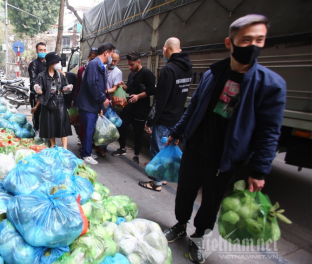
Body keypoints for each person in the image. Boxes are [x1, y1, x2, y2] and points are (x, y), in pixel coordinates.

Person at [162, 15, 286, 263]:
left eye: (259, 39)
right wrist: (176, 132)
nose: (253, 45)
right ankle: (180, 225)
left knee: (211, 201)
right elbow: (193, 108)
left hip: (225, 157)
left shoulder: (269, 85)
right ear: (230, 43)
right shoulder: (212, 74)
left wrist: (259, 170)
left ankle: (199, 237)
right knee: (185, 192)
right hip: (195, 147)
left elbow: (269, 132)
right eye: (246, 39)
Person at [139, 37, 193, 192]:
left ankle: (155, 183)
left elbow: (160, 100)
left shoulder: (168, 69)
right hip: (177, 118)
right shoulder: (187, 67)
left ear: (166, 48)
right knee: (167, 148)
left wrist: (150, 121)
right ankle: (162, 178)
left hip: (164, 119)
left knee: (159, 150)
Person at [111, 51, 156, 165]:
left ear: (139, 62)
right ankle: (122, 149)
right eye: (129, 64)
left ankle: (136, 155)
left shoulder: (147, 73)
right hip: (129, 107)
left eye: (132, 65)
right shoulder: (132, 74)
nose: (130, 67)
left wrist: (138, 96)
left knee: (138, 133)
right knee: (122, 127)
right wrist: (124, 86)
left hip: (141, 109)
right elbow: (130, 89)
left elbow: (151, 90)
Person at [76, 43, 114, 164]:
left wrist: (100, 106)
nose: (111, 58)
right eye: (111, 55)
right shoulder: (94, 64)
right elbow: (93, 84)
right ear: (106, 53)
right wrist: (103, 99)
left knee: (90, 129)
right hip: (87, 105)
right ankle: (86, 155)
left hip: (92, 105)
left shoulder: (99, 65)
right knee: (88, 129)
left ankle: (87, 152)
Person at [35, 52, 73, 149]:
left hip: (60, 103)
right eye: (57, 61)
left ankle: (65, 148)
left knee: (63, 125)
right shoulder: (42, 76)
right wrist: (38, 90)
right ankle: (52, 145)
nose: (59, 63)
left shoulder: (60, 75)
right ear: (51, 63)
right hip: (48, 104)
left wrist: (67, 88)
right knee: (50, 125)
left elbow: (64, 88)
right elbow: (39, 91)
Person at [95, 49, 123, 157]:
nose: (113, 63)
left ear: (118, 61)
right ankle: (97, 144)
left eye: (115, 61)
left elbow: (114, 88)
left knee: (105, 126)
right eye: (112, 60)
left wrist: (103, 92)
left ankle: (102, 147)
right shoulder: (102, 67)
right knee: (97, 124)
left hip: (108, 102)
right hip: (99, 99)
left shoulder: (118, 72)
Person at [72, 48, 99, 147]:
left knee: (95, 127)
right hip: (84, 103)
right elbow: (78, 86)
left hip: (96, 102)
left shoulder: (100, 69)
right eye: (92, 59)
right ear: (88, 58)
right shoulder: (81, 70)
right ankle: (84, 147)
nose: (93, 61)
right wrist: (74, 100)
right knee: (84, 126)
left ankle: (95, 147)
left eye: (96, 59)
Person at [29, 42, 47, 134]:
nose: (42, 52)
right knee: (36, 114)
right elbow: (33, 80)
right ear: (36, 51)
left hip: (46, 95)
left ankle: (44, 134)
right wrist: (37, 94)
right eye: (40, 50)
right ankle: (36, 132)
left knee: (45, 116)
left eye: (44, 50)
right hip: (36, 95)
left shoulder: (47, 64)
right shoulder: (34, 64)